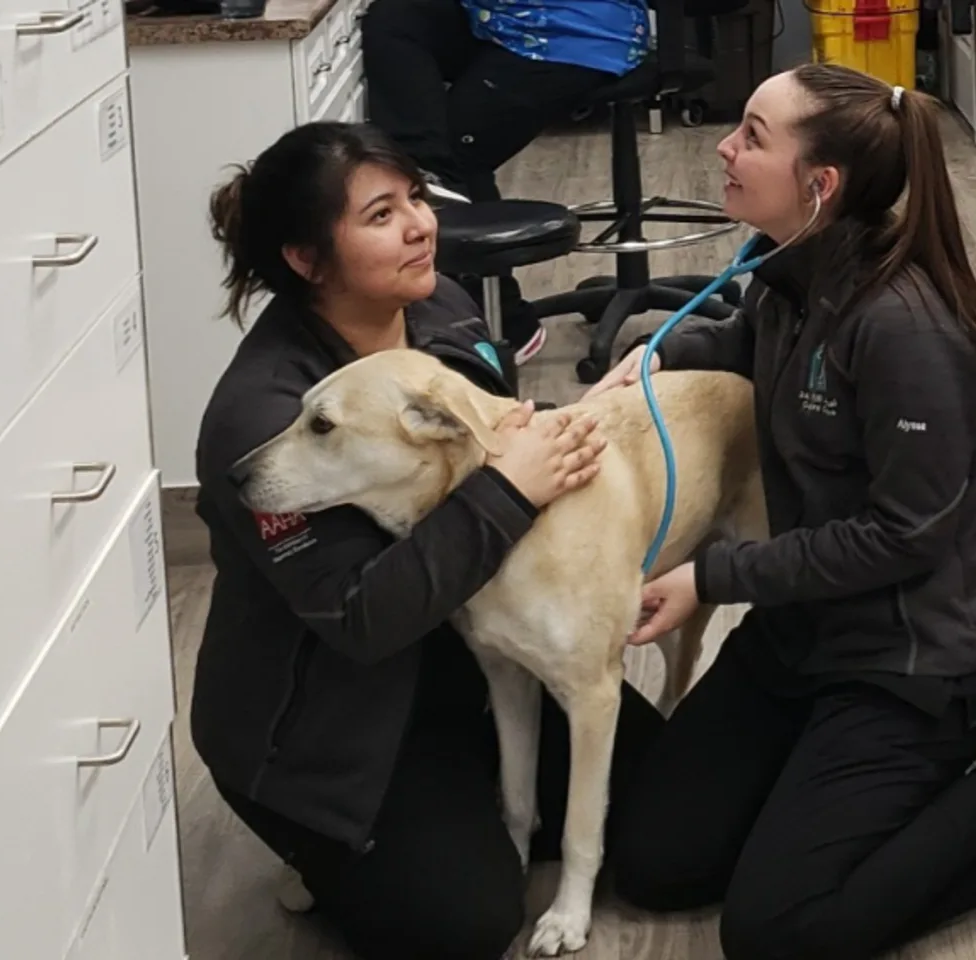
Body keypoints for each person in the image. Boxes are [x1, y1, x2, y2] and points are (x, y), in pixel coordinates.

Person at [585, 64, 976, 960]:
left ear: (822, 185)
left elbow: (903, 534)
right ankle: (824, 801)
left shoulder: (908, 329)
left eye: (753, 136)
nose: (725, 149)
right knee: (655, 866)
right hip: (801, 642)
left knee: (777, 933)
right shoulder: (788, 275)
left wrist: (713, 576)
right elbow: (737, 340)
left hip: (915, 668)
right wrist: (656, 354)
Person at [189, 120, 666, 960]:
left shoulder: (437, 304)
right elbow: (361, 617)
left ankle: (464, 812)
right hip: (337, 716)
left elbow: (494, 451)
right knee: (471, 919)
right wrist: (512, 488)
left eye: (417, 198)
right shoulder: (262, 426)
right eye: (381, 214)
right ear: (307, 259)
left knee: (668, 821)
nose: (421, 225)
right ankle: (315, 846)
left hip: (469, 651)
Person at [361, 0, 650, 364]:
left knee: (458, 152)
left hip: (571, 37)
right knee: (397, 19)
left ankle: (509, 325)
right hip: (511, 23)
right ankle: (428, 178)